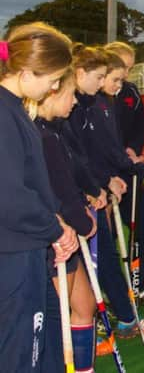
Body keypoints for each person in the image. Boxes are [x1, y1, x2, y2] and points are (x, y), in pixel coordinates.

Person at [67, 45, 144, 355]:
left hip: (96, 191)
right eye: (106, 77)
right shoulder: (73, 108)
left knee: (101, 255)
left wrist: (116, 176)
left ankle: (122, 318)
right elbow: (77, 157)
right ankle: (103, 323)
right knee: (88, 263)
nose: (113, 84)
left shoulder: (97, 104)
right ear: (80, 74)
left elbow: (105, 148)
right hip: (80, 198)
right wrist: (99, 184)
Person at [0, 22, 78, 372]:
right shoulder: (4, 114)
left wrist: (54, 222)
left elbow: (30, 184)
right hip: (14, 255)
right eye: (55, 77)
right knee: (21, 355)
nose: (56, 86)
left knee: (46, 348)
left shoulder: (16, 108)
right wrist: (54, 229)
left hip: (30, 249)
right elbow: (9, 195)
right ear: (30, 70)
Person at [35, 69, 98, 372]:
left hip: (68, 235)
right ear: (53, 93)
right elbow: (57, 190)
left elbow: (72, 176)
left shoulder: (57, 130)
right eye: (70, 94)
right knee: (56, 320)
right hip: (55, 241)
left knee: (84, 308)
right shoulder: (42, 136)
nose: (74, 102)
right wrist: (82, 221)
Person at [104, 41, 144, 306]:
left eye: (129, 67)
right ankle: (109, 296)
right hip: (103, 179)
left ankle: (139, 285)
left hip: (129, 175)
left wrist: (133, 150)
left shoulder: (131, 92)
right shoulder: (93, 97)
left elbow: (139, 128)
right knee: (108, 239)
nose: (125, 74)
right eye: (121, 67)